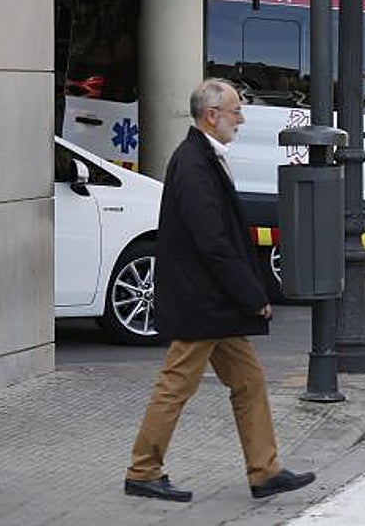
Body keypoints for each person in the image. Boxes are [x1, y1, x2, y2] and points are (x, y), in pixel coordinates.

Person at [124, 78, 315, 503]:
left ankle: (265, 471)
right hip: (202, 302)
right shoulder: (193, 164)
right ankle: (142, 470)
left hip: (214, 304)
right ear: (212, 116)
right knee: (176, 385)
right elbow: (213, 242)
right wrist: (254, 295)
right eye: (235, 111)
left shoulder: (202, 157)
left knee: (249, 381)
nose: (241, 119)